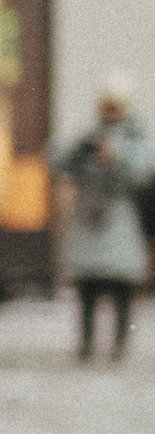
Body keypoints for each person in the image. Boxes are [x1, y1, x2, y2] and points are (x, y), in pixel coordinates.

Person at [56, 77, 153, 360]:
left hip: (119, 213)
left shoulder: (136, 133)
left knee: (122, 284)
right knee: (87, 283)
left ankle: (120, 342)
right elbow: (59, 160)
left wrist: (117, 158)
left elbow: (144, 169)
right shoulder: (88, 130)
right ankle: (86, 342)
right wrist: (78, 148)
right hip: (89, 213)